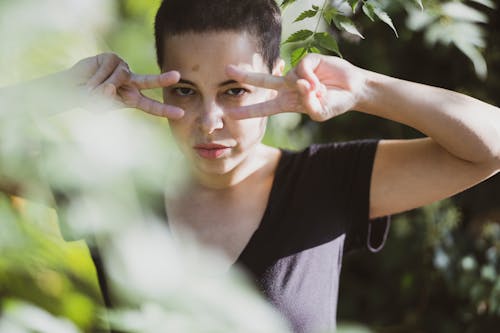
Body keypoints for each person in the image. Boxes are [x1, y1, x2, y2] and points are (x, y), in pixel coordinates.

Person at [1, 0, 499, 332]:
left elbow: (490, 148)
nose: (209, 122)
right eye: (185, 91)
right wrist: (50, 95)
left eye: (234, 90)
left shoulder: (329, 182)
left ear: (275, 81)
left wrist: (368, 89)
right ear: (159, 84)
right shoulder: (115, 184)